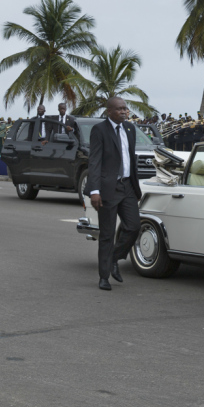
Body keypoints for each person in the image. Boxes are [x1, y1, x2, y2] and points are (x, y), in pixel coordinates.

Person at [86, 97, 142, 291]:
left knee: (134, 227)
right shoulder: (99, 130)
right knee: (107, 234)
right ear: (109, 111)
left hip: (127, 188)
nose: (124, 112)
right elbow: (94, 161)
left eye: (125, 108)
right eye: (119, 109)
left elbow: (130, 159)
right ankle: (103, 277)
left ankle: (114, 258)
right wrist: (94, 190)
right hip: (108, 189)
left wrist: (136, 187)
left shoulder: (130, 129)